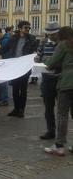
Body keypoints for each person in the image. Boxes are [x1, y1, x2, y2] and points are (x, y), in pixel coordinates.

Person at [0, 21, 38, 118]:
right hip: (14, 67)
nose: (28, 29)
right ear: (20, 28)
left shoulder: (32, 39)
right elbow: (4, 49)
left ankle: (21, 110)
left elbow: (35, 51)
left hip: (25, 67)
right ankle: (16, 109)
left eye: (29, 28)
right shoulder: (13, 38)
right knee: (15, 89)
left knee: (23, 89)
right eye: (26, 27)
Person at [43, 26, 73, 156]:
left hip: (67, 83)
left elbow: (51, 64)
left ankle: (59, 145)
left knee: (62, 115)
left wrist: (43, 59)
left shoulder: (63, 45)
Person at [37, 22, 60, 140]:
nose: (51, 36)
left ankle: (61, 134)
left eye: (53, 34)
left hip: (60, 79)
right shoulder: (43, 42)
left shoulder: (64, 44)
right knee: (48, 108)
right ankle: (50, 131)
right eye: (49, 34)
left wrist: (48, 60)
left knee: (63, 110)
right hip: (47, 79)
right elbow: (38, 57)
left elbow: (60, 60)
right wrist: (42, 58)